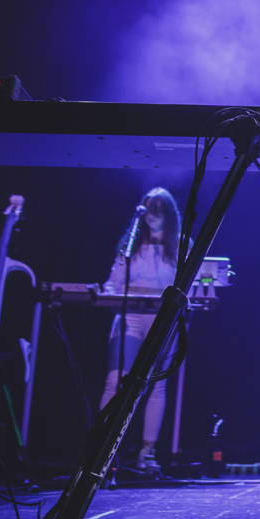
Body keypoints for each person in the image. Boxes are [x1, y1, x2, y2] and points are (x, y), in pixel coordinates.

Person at [99, 187, 180, 474]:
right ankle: (103, 448)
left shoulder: (181, 245)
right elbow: (114, 280)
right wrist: (104, 291)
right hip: (131, 314)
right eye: (149, 208)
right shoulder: (131, 243)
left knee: (156, 383)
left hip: (162, 317)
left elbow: (192, 282)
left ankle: (148, 451)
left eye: (159, 208)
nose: (152, 214)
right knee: (116, 380)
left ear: (168, 213)